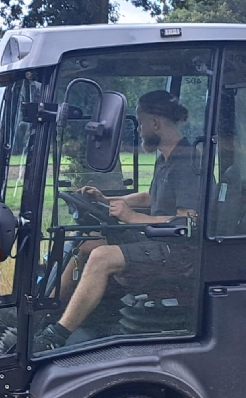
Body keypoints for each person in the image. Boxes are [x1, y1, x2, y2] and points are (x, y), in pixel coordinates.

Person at [34, 90, 201, 351]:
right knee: (88, 243)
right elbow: (151, 196)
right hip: (159, 241)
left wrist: (133, 218)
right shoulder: (167, 158)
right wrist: (105, 199)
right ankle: (43, 313)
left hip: (180, 253)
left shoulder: (188, 162)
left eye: (142, 123)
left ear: (155, 123)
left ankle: (55, 337)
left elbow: (187, 220)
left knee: (102, 257)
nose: (141, 131)